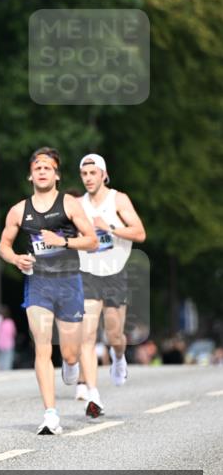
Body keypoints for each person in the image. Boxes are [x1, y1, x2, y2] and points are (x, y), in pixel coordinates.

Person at [0, 147, 97, 435]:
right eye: (37, 167)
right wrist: (16, 258)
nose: (42, 171)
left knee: (68, 354)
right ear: (31, 175)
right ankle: (50, 415)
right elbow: (3, 245)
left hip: (68, 282)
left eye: (48, 167)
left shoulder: (69, 205)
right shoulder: (19, 210)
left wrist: (63, 242)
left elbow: (91, 240)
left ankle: (71, 365)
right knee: (42, 347)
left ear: (56, 174)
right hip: (38, 284)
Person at [77, 153, 146, 416]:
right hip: (88, 273)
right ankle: (93, 394)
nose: (88, 179)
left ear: (104, 175)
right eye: (84, 174)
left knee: (114, 335)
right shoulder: (78, 204)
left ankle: (119, 356)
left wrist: (110, 228)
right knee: (87, 334)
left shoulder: (118, 199)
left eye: (93, 173)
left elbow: (139, 233)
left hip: (115, 272)